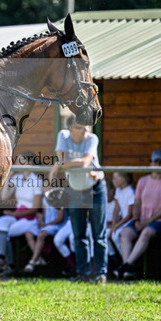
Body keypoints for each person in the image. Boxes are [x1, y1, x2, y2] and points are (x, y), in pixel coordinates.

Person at [49, 115, 107, 284]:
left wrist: (61, 164)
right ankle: (83, 274)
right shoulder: (63, 136)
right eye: (81, 127)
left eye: (86, 126)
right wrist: (61, 162)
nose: (85, 130)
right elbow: (62, 159)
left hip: (95, 189)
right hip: (75, 190)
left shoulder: (92, 138)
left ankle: (100, 274)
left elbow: (85, 162)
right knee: (79, 235)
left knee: (99, 236)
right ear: (71, 129)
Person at [115, 149, 161, 280]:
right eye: (155, 162)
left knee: (146, 232)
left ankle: (126, 266)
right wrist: (136, 219)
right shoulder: (143, 181)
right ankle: (128, 270)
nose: (157, 165)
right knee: (125, 233)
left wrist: (148, 221)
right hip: (143, 219)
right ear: (150, 163)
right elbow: (137, 202)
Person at [0, 152, 43, 275]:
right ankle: (2, 257)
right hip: (18, 216)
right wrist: (10, 175)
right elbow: (4, 196)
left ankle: (9, 264)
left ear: (29, 163)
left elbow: (35, 209)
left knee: (4, 232)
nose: (17, 164)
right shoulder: (17, 178)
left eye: (20, 161)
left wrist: (13, 215)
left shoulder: (36, 180)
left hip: (30, 219)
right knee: (1, 221)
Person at [23, 198, 66, 273]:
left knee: (41, 235)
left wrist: (47, 224)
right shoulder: (44, 199)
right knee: (28, 233)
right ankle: (39, 259)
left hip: (57, 225)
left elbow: (60, 218)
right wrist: (40, 220)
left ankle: (32, 262)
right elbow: (44, 213)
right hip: (46, 225)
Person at [108, 172, 135, 265]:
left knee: (115, 236)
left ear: (123, 180)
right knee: (108, 234)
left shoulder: (130, 192)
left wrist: (116, 226)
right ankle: (118, 261)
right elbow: (116, 209)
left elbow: (130, 215)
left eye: (115, 178)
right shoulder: (118, 191)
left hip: (129, 222)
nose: (113, 180)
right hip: (122, 222)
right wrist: (113, 225)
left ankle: (126, 262)